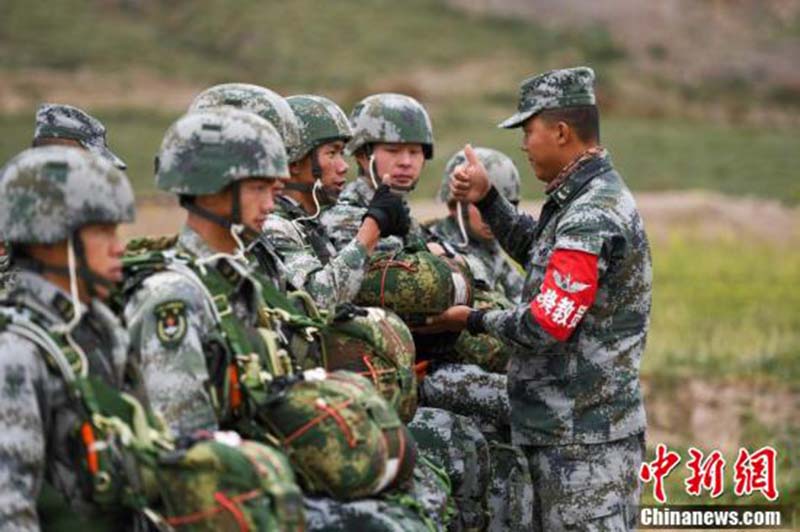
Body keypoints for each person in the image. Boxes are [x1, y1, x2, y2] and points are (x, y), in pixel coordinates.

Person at [425, 66, 653, 530]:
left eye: (528, 131)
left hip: (584, 446)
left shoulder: (590, 214)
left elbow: (548, 323)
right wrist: (489, 199)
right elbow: (539, 251)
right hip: (567, 432)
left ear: (562, 132)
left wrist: (471, 319)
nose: (524, 145)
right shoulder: (578, 199)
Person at [0, 146, 137, 528]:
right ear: (48, 237)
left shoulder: (99, 327)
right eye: (102, 231)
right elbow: (9, 511)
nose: (119, 247)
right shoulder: (16, 351)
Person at [427, 146, 525, 302]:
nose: (493, 214)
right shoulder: (435, 250)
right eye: (481, 205)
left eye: (506, 205)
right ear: (455, 206)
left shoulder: (494, 251)